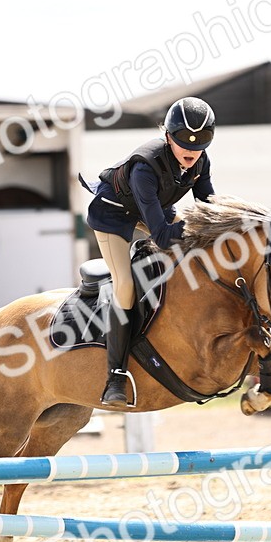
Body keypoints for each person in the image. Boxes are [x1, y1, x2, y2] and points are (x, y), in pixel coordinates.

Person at [81, 96, 216, 408]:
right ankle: (115, 376)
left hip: (151, 210)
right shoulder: (145, 167)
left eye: (200, 144)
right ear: (167, 136)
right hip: (112, 214)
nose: (191, 152)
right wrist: (202, 230)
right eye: (183, 143)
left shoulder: (201, 161)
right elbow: (165, 236)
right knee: (125, 285)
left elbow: (209, 209)